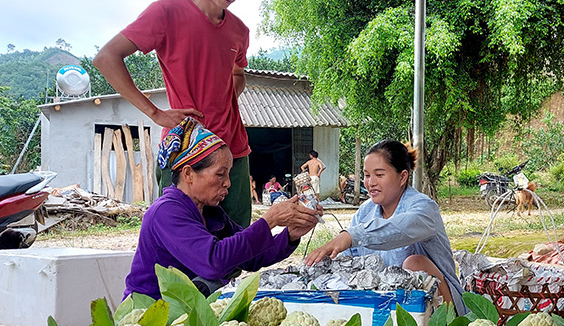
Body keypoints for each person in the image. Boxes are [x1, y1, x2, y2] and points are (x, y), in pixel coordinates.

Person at [93, 0, 255, 227]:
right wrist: (155, 113)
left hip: (232, 149)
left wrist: (222, 98)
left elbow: (237, 75)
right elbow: (106, 57)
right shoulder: (166, 14)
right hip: (185, 152)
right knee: (177, 244)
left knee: (236, 243)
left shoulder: (239, 31)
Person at [124, 118, 321, 300]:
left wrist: (290, 235)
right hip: (149, 317)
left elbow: (251, 256)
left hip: (185, 311)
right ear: (188, 174)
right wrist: (269, 220)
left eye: (228, 175)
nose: (228, 183)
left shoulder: (212, 213)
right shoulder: (165, 212)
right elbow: (213, 262)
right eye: (220, 174)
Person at [304, 140, 465, 315]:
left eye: (379, 175)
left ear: (402, 177)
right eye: (366, 175)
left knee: (414, 263)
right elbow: (350, 262)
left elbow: (398, 229)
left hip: (438, 306)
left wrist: (349, 237)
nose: (371, 182)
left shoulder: (424, 208)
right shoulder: (365, 212)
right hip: (386, 305)